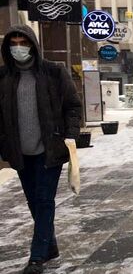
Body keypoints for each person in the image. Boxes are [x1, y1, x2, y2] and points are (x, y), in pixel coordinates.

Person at [0, 25, 82, 274]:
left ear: (32, 45)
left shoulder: (53, 72)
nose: (18, 47)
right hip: (20, 152)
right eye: (13, 43)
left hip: (50, 149)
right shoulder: (3, 77)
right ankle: (50, 245)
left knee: (45, 200)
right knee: (34, 201)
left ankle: (37, 258)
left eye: (22, 43)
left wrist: (69, 136)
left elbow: (72, 105)